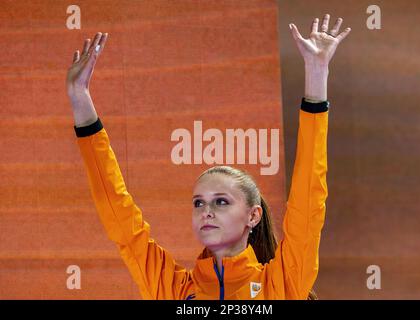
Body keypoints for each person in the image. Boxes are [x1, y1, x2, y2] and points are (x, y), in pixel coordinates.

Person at [66, 14, 351, 300]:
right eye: (198, 202)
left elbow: (308, 203)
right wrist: (80, 97)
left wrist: (317, 73)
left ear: (253, 216)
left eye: (221, 202)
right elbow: (120, 217)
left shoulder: (280, 285)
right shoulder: (173, 291)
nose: (207, 211)